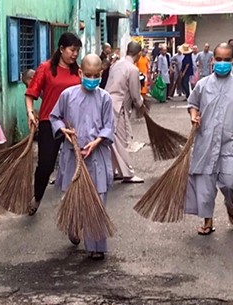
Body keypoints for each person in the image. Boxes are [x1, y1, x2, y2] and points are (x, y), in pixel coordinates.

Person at [185, 43, 233, 235]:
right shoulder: (202, 85)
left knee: (232, 180)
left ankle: (229, 202)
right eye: (219, 59)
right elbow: (192, 104)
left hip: (232, 142)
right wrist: (194, 115)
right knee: (205, 185)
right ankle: (207, 221)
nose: (223, 63)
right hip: (206, 141)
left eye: (227, 60)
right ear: (213, 60)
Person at [49, 54, 115, 260]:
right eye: (88, 75)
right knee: (74, 196)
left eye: (96, 76)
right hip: (73, 155)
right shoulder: (67, 95)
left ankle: (97, 246)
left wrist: (97, 141)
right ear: (80, 73)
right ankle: (73, 225)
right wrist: (64, 131)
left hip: (97, 156)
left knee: (97, 199)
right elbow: (54, 117)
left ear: (101, 75)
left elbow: (109, 126)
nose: (92, 79)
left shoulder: (105, 97)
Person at [25, 32, 82, 215]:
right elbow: (31, 93)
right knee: (46, 165)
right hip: (49, 122)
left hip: (72, 126)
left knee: (74, 167)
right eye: (72, 50)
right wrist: (30, 112)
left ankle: (71, 211)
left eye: (77, 51)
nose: (75, 54)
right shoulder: (46, 68)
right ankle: (37, 197)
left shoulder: (78, 71)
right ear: (61, 49)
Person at [105, 41, 146, 184]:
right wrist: (141, 105)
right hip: (118, 106)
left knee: (112, 140)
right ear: (139, 54)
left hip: (106, 103)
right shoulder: (133, 69)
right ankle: (127, 173)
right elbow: (135, 95)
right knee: (121, 141)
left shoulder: (116, 64)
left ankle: (114, 170)